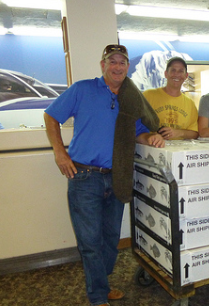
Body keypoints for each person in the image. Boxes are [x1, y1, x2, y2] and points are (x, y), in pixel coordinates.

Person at [43, 44, 164, 306]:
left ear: (127, 67)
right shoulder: (83, 89)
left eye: (122, 62)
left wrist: (151, 136)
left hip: (117, 175)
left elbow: (138, 132)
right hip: (85, 177)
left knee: (111, 237)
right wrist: (59, 152)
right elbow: (51, 116)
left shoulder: (132, 98)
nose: (117, 67)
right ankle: (97, 296)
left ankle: (102, 283)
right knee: (89, 240)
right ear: (103, 65)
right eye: (112, 62)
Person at [143, 56, 198, 140]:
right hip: (151, 150)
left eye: (180, 71)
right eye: (173, 70)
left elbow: (194, 133)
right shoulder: (148, 96)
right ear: (166, 74)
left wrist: (178, 132)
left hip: (179, 151)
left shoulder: (190, 104)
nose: (176, 74)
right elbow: (135, 125)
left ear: (186, 76)